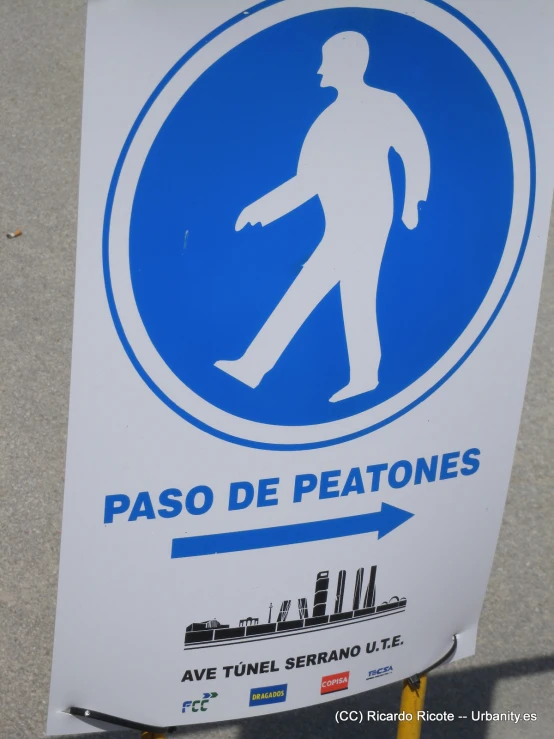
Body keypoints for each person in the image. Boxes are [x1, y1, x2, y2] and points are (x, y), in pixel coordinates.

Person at [216, 31, 430, 401]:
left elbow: (415, 150)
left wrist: (415, 202)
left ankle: (254, 366)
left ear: (347, 65)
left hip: (367, 222)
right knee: (356, 297)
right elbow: (307, 182)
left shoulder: (385, 104)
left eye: (326, 61)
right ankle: (363, 375)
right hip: (343, 223)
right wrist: (263, 209)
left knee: (310, 291)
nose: (319, 70)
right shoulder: (327, 121)